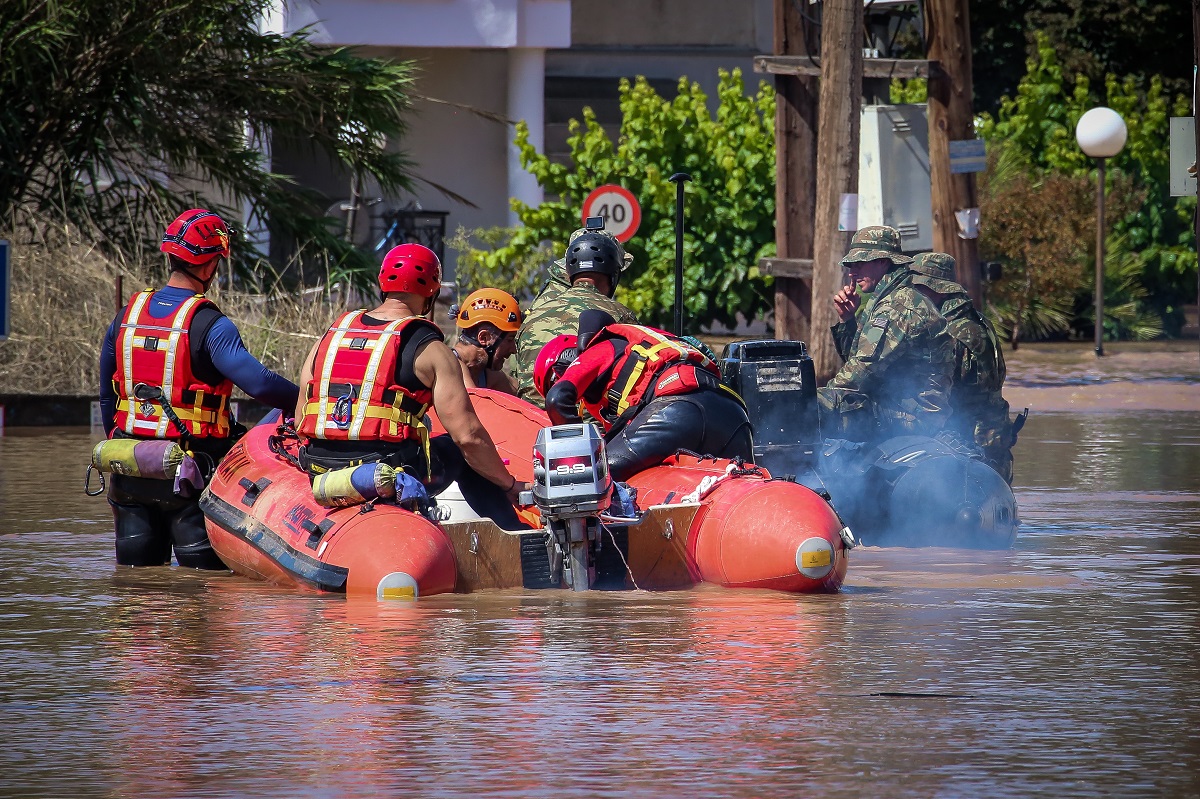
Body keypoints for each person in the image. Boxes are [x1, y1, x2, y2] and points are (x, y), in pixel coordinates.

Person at [98, 209, 300, 569]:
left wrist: (121, 442)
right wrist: (306, 401)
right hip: (192, 473)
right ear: (209, 267)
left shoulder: (126, 315)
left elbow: (105, 392)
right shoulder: (210, 324)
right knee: (202, 593)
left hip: (129, 468)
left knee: (135, 588)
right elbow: (260, 383)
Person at [294, 243, 530, 529]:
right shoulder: (431, 350)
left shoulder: (330, 336)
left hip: (320, 470)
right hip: (388, 471)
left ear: (383, 285)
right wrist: (509, 484)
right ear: (432, 293)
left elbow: (300, 418)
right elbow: (468, 436)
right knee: (459, 451)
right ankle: (514, 533)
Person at [539, 310, 754, 481]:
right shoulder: (636, 346)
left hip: (680, 409)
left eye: (555, 379)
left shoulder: (597, 349)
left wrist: (577, 454)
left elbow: (557, 400)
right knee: (750, 483)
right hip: (732, 414)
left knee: (594, 474)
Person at [818, 225, 954, 442]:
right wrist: (847, 320)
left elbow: (858, 374)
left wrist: (813, 403)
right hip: (896, 407)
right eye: (851, 265)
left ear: (883, 262)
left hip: (914, 418)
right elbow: (857, 362)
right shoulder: (888, 299)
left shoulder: (898, 306)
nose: (852, 273)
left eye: (860, 264)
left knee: (814, 409)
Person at [908, 252, 1020, 482]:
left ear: (936, 290)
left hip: (968, 452)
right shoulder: (978, 321)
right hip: (994, 447)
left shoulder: (949, 333)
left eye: (920, 289)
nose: (915, 296)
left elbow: (936, 395)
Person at [512, 227, 638, 405]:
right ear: (613, 275)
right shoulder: (621, 316)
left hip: (532, 422)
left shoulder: (534, 314)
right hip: (593, 426)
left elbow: (517, 373)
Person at [448, 288, 522, 394]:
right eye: (510, 340)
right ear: (484, 338)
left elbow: (525, 395)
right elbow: (473, 404)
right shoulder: (449, 366)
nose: (514, 349)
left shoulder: (484, 374)